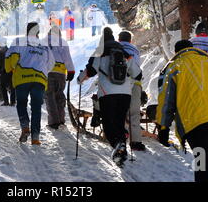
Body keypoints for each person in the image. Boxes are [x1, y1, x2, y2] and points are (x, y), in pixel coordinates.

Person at [156, 39, 208, 182]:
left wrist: (163, 127)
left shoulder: (175, 67)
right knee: (202, 162)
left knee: (205, 163)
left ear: (177, 52)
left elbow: (166, 100)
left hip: (194, 123)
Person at [77, 27, 142, 167]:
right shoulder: (124, 53)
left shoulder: (100, 52)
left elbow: (91, 70)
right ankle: (121, 151)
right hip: (125, 94)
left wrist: (79, 79)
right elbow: (138, 74)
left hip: (107, 94)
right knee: (119, 122)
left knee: (108, 124)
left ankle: (118, 145)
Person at [5, 22, 55, 145]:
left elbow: (10, 59)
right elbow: (51, 64)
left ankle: (25, 127)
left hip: (22, 79)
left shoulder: (19, 41)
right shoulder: (44, 46)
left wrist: (11, 68)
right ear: (38, 32)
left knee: (21, 104)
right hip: (39, 80)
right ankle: (35, 138)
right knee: (36, 108)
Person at [118, 30, 146, 151]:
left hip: (119, 83)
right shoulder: (135, 50)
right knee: (134, 113)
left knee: (120, 111)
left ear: (119, 39)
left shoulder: (115, 47)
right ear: (130, 40)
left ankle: (121, 137)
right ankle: (136, 142)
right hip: (135, 83)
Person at [44, 26, 75, 130]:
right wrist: (71, 71)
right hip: (61, 73)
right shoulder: (63, 42)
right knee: (59, 96)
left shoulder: (43, 42)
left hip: (48, 73)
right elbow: (67, 58)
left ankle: (54, 122)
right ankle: (61, 120)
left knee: (50, 97)